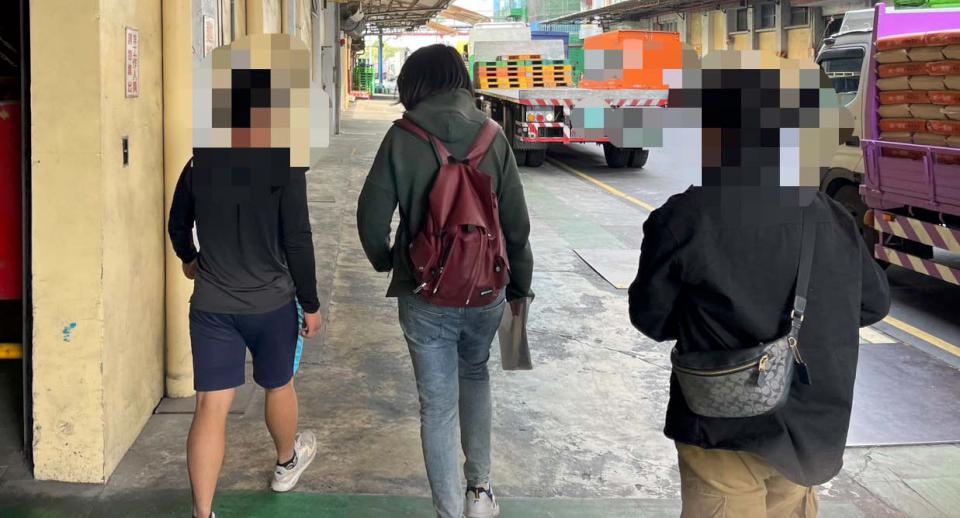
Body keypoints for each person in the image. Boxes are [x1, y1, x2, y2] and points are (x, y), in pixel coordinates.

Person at [628, 51, 891, 518]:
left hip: (721, 425)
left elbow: (651, 319)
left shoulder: (687, 218)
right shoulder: (831, 217)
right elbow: (873, 304)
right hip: (808, 430)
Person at [357, 44, 534, 518]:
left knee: (436, 406)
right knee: (475, 374)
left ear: (413, 84)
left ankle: (449, 510)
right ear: (459, 80)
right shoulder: (493, 135)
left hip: (424, 292)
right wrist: (520, 289)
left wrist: (387, 261)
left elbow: (371, 217)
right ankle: (480, 492)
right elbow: (516, 227)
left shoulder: (402, 137)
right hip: (486, 291)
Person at [168, 34, 324, 518]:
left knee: (210, 407)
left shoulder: (201, 161)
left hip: (212, 306)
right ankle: (286, 462)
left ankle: (202, 513)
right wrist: (311, 303)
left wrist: (190, 258)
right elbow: (297, 239)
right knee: (278, 384)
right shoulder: (285, 163)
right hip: (271, 304)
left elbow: (177, 223)